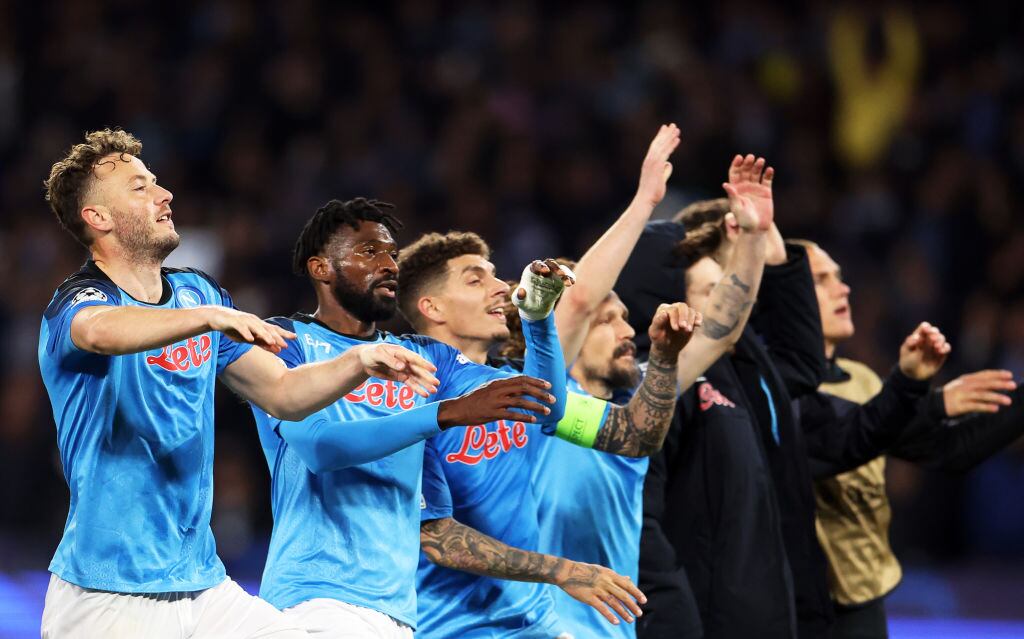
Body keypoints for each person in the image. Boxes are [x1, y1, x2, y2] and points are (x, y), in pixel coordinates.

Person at [38, 129, 438, 638]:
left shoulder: (195, 292)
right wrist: (207, 319)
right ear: (99, 218)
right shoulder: (79, 301)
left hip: (202, 586)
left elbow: (284, 393)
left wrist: (358, 361)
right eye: (140, 188)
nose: (164, 195)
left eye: (156, 182)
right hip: (107, 595)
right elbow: (99, 331)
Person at [628, 160, 950, 639]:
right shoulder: (660, 387)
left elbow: (804, 366)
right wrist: (675, 620)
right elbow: (646, 526)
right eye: (712, 289)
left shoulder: (744, 366)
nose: (729, 302)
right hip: (711, 617)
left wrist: (764, 243)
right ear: (672, 300)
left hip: (780, 606)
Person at [249, 197, 577, 639]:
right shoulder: (284, 342)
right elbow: (320, 449)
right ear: (321, 268)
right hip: (317, 598)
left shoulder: (424, 356)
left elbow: (544, 406)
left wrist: (538, 318)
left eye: (391, 253)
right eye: (369, 252)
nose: (389, 264)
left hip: (398, 610)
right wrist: (444, 413)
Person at [796, 239, 1024, 639]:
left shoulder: (863, 380)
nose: (843, 288)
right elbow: (842, 428)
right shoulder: (775, 387)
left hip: (864, 604)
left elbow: (948, 450)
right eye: (821, 279)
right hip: (803, 605)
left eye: (839, 276)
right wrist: (929, 401)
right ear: (785, 295)